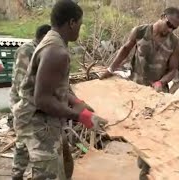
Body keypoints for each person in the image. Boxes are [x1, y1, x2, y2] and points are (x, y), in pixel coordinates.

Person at [12, 1, 107, 179]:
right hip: (40, 126)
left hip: (42, 123)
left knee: (63, 165)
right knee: (50, 175)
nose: (80, 27)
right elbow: (43, 99)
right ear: (71, 22)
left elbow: (53, 87)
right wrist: (80, 116)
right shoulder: (56, 52)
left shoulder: (53, 41)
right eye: (80, 23)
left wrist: (76, 102)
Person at [99, 7, 179, 93]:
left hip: (156, 91)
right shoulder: (140, 31)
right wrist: (111, 69)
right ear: (162, 17)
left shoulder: (175, 44)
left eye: (174, 28)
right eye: (169, 24)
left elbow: (173, 69)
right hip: (135, 85)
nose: (170, 30)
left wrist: (161, 82)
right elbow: (125, 49)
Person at [10, 24, 51, 180]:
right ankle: (17, 174)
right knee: (24, 144)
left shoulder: (38, 50)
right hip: (23, 105)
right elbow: (22, 84)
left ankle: (19, 174)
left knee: (26, 143)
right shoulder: (27, 51)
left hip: (29, 105)